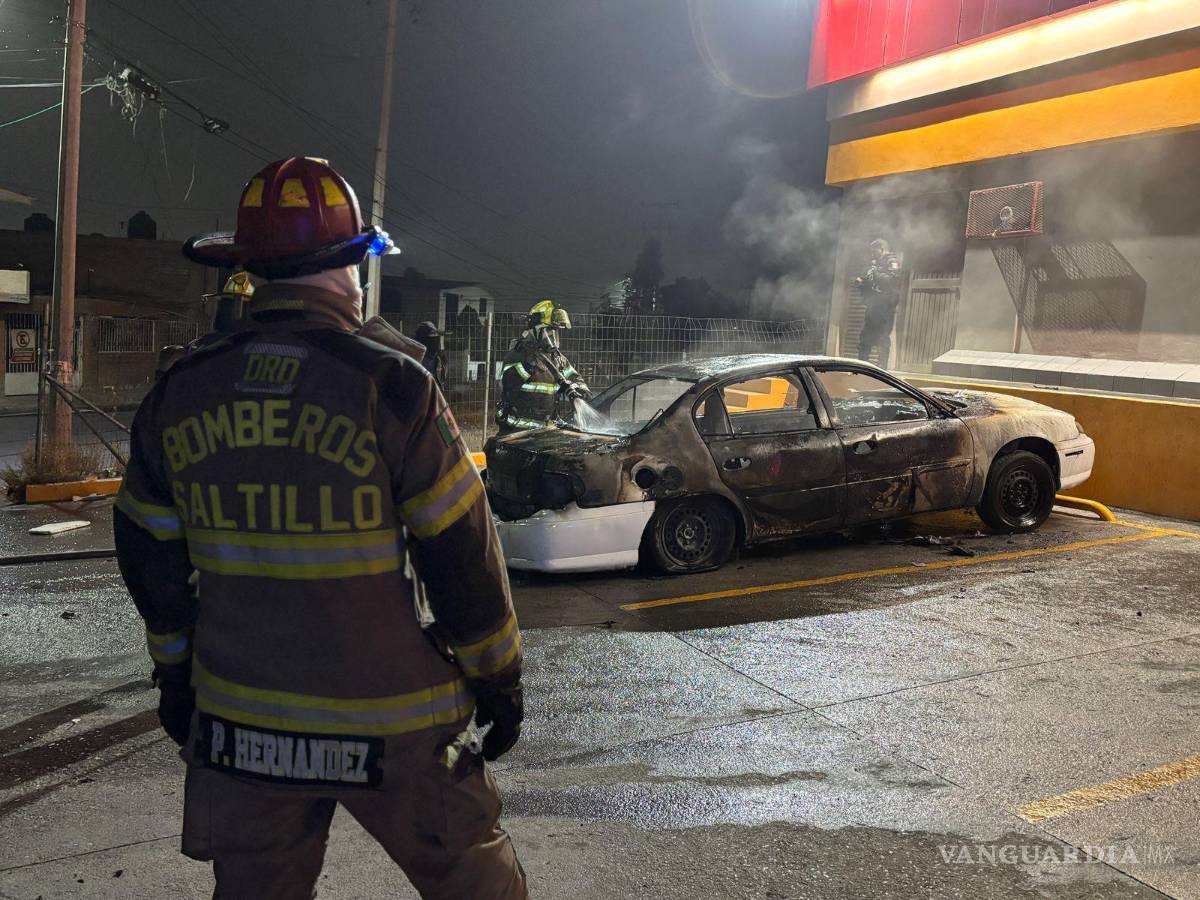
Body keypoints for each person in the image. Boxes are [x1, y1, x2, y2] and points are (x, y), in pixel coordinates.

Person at [114, 156, 527, 900]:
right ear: (353, 263)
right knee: (478, 884)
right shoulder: (392, 384)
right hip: (395, 725)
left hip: (244, 724)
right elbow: (460, 552)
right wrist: (499, 677)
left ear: (251, 272)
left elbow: (149, 558)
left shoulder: (180, 390)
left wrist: (176, 676)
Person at [495, 299, 589, 434]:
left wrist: (577, 390)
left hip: (547, 430)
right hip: (516, 432)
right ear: (535, 330)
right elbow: (509, 384)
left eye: (555, 331)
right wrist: (529, 364)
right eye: (549, 331)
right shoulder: (518, 355)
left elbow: (575, 378)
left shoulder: (557, 359)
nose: (552, 336)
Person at [854, 238, 902, 370]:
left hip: (885, 307)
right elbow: (869, 278)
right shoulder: (874, 264)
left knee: (882, 337)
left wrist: (875, 273)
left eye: (874, 251)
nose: (872, 255)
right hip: (872, 306)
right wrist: (861, 281)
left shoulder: (892, 262)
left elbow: (891, 280)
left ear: (881, 249)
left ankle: (881, 368)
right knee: (865, 336)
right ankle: (861, 366)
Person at [414, 320, 447, 389]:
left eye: (436, 335)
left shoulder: (439, 358)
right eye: (432, 335)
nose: (436, 338)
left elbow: (441, 381)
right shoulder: (415, 360)